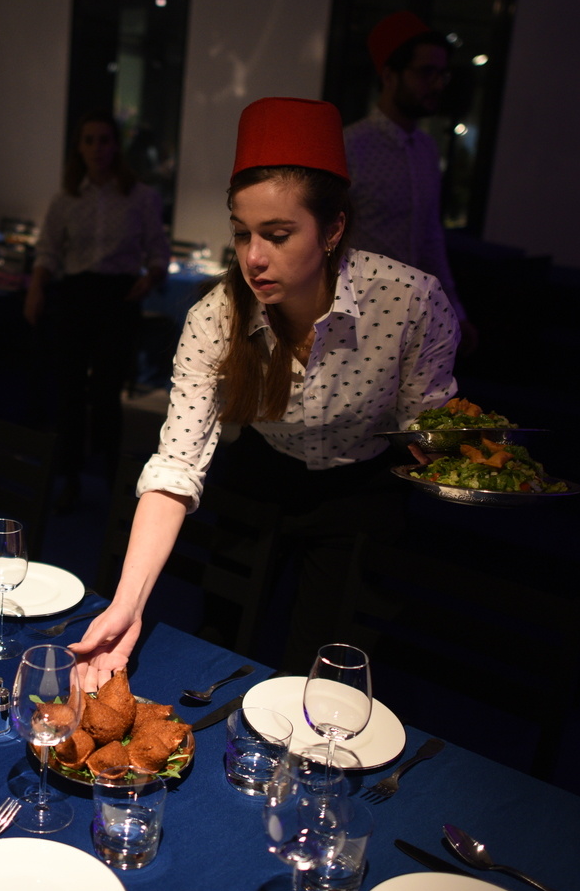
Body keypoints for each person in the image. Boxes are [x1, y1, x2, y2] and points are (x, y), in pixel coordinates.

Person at [71, 97, 460, 690]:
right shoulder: (215, 318)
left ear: (333, 228)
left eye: (278, 235)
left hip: (358, 494)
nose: (254, 258)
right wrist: (128, 604)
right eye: (242, 234)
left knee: (321, 677)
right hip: (261, 476)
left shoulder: (410, 302)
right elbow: (175, 465)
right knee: (222, 649)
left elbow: (421, 422)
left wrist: (454, 451)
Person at [25, 110, 170, 508]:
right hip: (76, 295)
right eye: (89, 140)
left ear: (115, 146)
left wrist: (151, 277)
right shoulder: (66, 199)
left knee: (107, 394)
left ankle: (111, 476)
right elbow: (49, 250)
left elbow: (158, 249)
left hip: (118, 299)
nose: (96, 148)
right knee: (70, 391)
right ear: (79, 147)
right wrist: (35, 289)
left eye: (104, 140)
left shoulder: (141, 197)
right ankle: (69, 477)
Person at [342, 11, 476, 351]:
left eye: (441, 74)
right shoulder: (350, 145)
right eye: (426, 72)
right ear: (389, 75)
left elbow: (431, 238)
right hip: (356, 318)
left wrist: (455, 311)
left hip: (413, 318)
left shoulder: (426, 149)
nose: (437, 84)